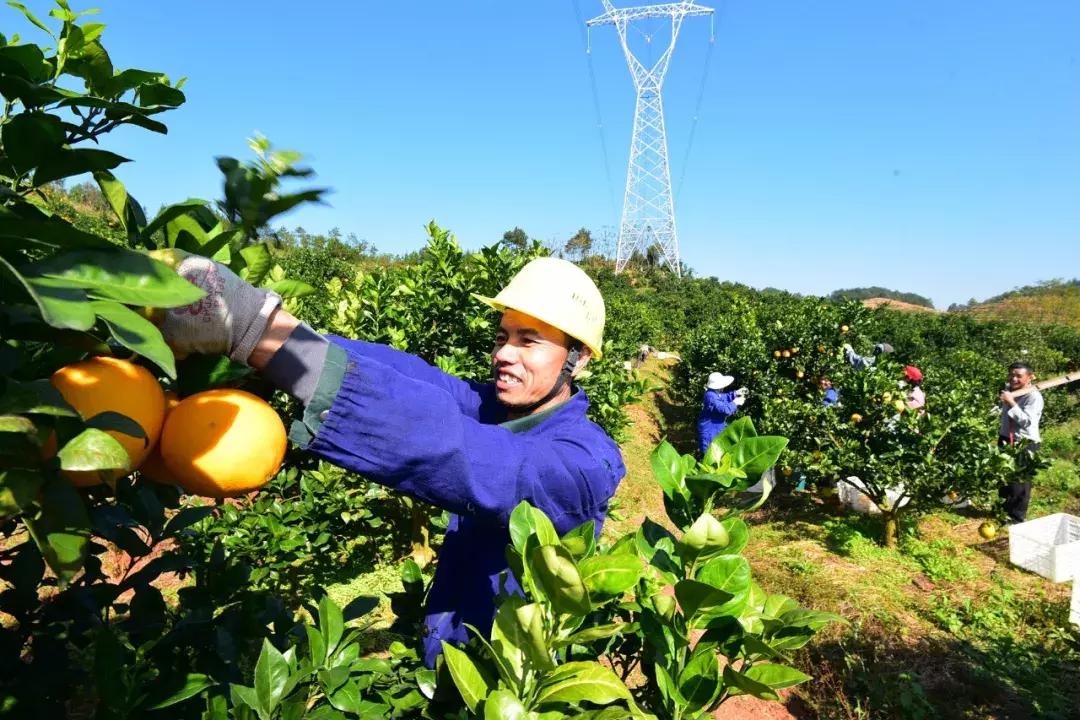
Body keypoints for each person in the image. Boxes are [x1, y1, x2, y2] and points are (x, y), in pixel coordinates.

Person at [157, 252, 625, 668]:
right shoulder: (492, 408)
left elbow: (467, 454)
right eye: (502, 336)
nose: (503, 354)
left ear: (578, 359)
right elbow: (410, 377)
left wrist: (252, 330)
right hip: (446, 652)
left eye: (529, 341)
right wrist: (273, 328)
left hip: (509, 681)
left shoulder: (585, 461)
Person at [997, 362, 1044, 524]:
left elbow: (1027, 422)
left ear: (1030, 377)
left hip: (1025, 442)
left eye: (1019, 376)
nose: (1014, 378)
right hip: (1006, 438)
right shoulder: (1009, 389)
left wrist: (1011, 402)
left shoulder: (1034, 397)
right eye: (1011, 375)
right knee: (1005, 476)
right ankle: (1004, 511)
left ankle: (1016, 518)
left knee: (1020, 483)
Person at [697, 372, 747, 456]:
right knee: (708, 454)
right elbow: (725, 409)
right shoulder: (710, 396)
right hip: (709, 430)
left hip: (716, 427)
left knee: (718, 451)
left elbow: (723, 397)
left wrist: (735, 393)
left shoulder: (714, 393)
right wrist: (735, 403)